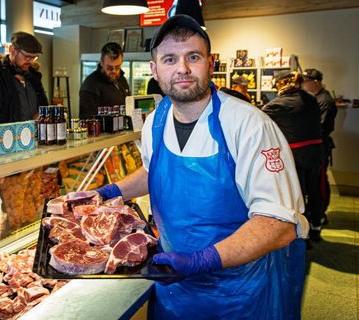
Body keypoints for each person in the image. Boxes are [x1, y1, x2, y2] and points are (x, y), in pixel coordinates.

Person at [97, 15, 308, 319]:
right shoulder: (156, 120)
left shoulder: (249, 125)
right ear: (155, 70)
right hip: (176, 289)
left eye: (192, 56)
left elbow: (278, 224)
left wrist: (201, 261)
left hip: (241, 293)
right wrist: (109, 191)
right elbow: (155, 171)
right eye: (170, 59)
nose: (182, 68)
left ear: (210, 63)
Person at [262, 70, 324, 242]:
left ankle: (301, 234)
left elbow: (258, 120)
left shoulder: (276, 104)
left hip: (296, 154)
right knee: (315, 190)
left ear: (281, 84)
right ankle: (316, 227)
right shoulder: (311, 98)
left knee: (298, 193)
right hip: (317, 152)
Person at [0, 31, 48, 124]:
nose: (30, 61)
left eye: (34, 57)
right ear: (12, 50)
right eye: (27, 56)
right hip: (6, 136)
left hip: (32, 136)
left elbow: (43, 107)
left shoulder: (33, 78)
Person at [302, 68, 337, 223]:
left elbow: (321, 127)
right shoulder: (316, 98)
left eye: (306, 82)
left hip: (320, 146)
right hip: (315, 146)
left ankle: (321, 214)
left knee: (319, 182)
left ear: (315, 82)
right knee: (317, 181)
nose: (304, 85)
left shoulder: (325, 100)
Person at [79, 42, 130, 118]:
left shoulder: (122, 80)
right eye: (109, 68)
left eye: (117, 67)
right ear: (101, 63)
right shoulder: (90, 85)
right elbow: (87, 119)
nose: (114, 71)